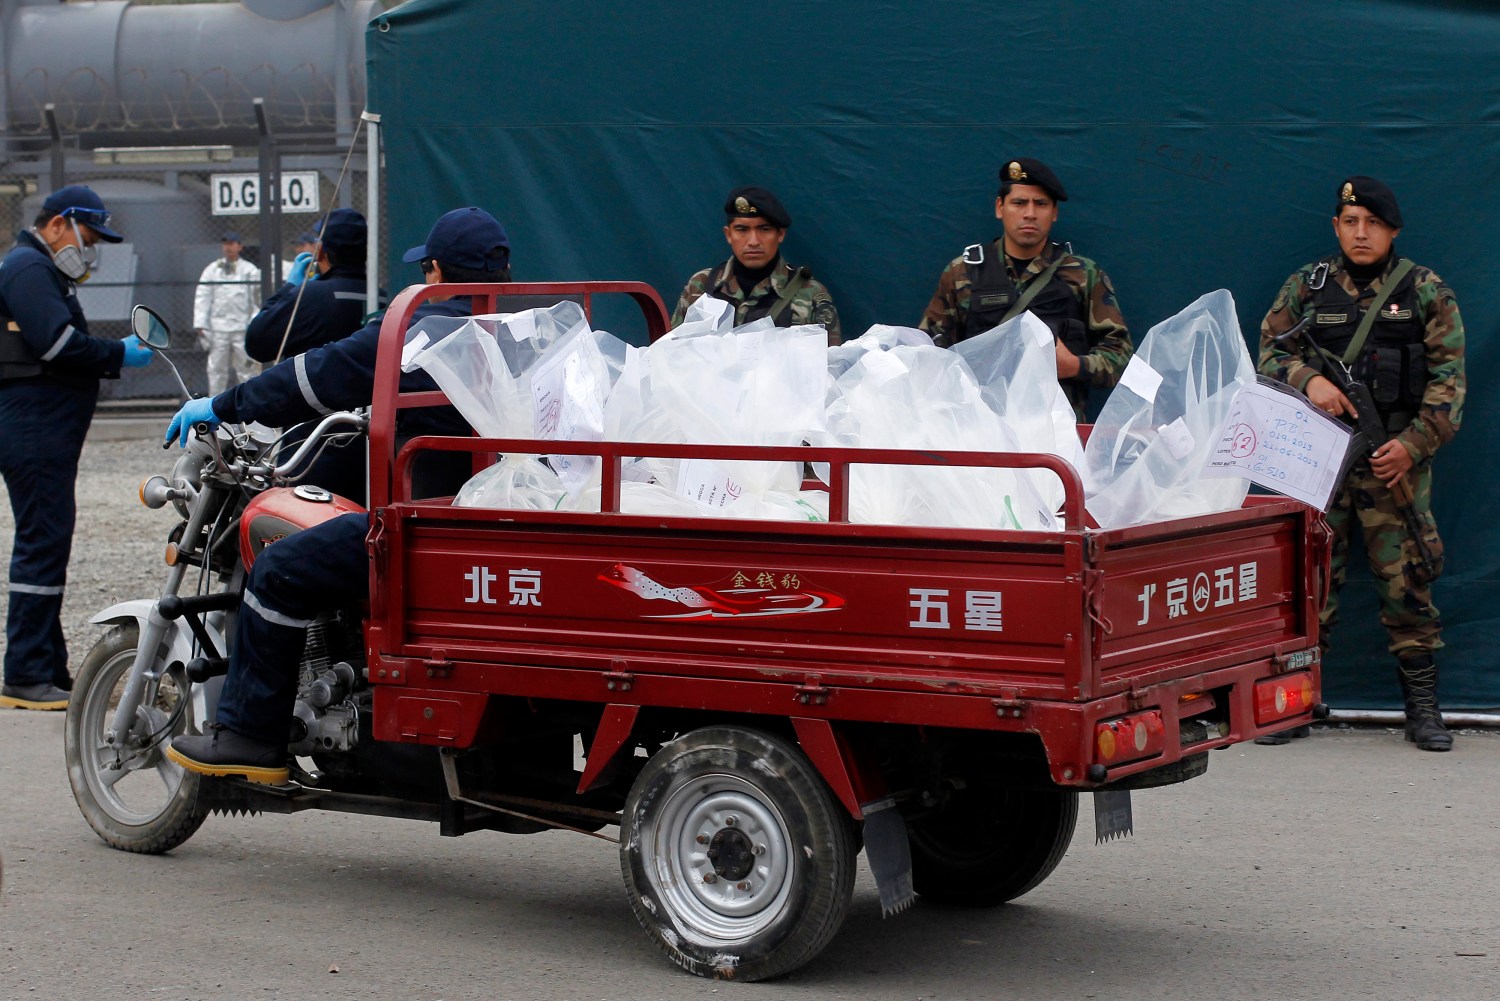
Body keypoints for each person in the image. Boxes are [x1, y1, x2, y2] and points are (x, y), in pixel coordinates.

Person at [163, 206, 512, 781]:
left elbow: (319, 373)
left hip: (435, 529)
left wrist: (224, 405)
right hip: (508, 515)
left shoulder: (424, 330)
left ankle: (252, 736)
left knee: (280, 568)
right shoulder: (525, 327)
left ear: (435, 270)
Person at [1256, 176, 1464, 752]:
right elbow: (1269, 351)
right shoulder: (1308, 286)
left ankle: (1423, 711)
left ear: (1393, 230)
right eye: (1350, 222)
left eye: (1373, 223)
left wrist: (1413, 446)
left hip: (1393, 461)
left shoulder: (1426, 291)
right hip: (1318, 461)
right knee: (1308, 583)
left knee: (1408, 586)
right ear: (1336, 227)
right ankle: (1293, 703)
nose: (1361, 233)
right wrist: (1310, 380)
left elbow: (1450, 383)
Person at [0, 185, 154, 710]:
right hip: (35, 427)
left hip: (43, 429)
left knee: (48, 538)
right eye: (87, 236)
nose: (89, 250)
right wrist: (118, 353)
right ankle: (26, 673)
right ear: (58, 224)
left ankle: (45, 667)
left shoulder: (37, 268)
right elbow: (56, 343)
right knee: (42, 541)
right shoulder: (28, 267)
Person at [919, 158, 1133, 419]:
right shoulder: (962, 272)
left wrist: (1075, 366)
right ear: (1000, 207)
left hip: (1056, 430)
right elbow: (928, 354)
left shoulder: (1083, 274)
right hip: (978, 426)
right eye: (1019, 203)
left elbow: (1120, 355)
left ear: (1054, 212)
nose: (1030, 213)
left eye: (1040, 204)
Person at [245, 208, 388, 499]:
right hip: (372, 449)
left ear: (320, 250)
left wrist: (290, 288)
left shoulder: (310, 297)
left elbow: (257, 342)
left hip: (308, 450)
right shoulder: (385, 299)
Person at [671, 186, 841, 345]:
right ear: (728, 234)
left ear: (780, 234)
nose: (753, 241)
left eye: (764, 229)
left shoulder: (810, 294)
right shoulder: (700, 286)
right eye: (742, 230)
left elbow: (829, 362)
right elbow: (671, 354)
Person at [193, 230, 262, 396]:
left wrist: (254, 322)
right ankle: (215, 403)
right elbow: (203, 295)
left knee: (247, 368)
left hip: (242, 328)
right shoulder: (212, 270)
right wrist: (200, 323)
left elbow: (257, 299)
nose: (227, 247)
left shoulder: (250, 270)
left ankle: (249, 402)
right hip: (218, 329)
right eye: (225, 244)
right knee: (216, 369)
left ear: (240, 246)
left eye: (231, 244)